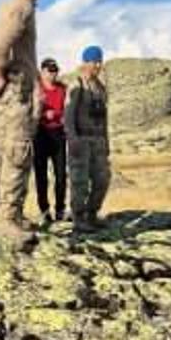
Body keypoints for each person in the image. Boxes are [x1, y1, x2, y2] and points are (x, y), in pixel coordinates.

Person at [0, 0, 45, 246]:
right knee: (17, 153)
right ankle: (6, 219)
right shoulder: (22, 6)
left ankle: (9, 213)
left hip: (5, 94)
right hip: (15, 92)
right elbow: (5, 40)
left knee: (5, 152)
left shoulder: (5, 5)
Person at [65, 46, 111, 233]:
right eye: (95, 62)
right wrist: (73, 138)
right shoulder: (76, 84)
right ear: (85, 62)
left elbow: (104, 118)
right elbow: (68, 115)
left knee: (103, 179)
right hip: (81, 141)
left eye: (100, 61)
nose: (98, 65)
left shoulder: (100, 88)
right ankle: (78, 217)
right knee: (80, 182)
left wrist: (106, 142)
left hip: (98, 141)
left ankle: (92, 214)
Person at [33, 57, 68, 224]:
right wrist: (41, 114)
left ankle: (60, 210)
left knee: (61, 175)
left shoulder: (62, 89)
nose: (53, 74)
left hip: (58, 134)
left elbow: (67, 109)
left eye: (55, 70)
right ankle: (44, 211)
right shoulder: (35, 89)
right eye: (49, 70)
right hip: (40, 134)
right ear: (42, 71)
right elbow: (28, 111)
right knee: (41, 176)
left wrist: (59, 115)